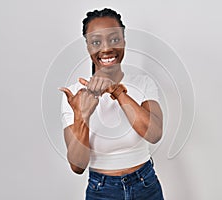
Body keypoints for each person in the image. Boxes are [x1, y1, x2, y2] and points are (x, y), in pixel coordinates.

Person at [59, 8, 164, 200]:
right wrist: (82, 116)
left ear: (124, 40)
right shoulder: (75, 94)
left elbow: (154, 134)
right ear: (88, 47)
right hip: (101, 191)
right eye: (96, 42)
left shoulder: (143, 84)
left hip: (146, 185)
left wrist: (117, 92)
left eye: (114, 39)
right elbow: (77, 166)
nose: (106, 48)